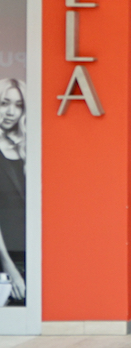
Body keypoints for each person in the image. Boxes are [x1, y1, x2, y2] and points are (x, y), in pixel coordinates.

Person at [0, 78, 25, 304]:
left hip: (28, 248)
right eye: (4, 103)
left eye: (18, 106)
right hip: (5, 254)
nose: (10, 112)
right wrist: (8, 265)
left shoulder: (26, 147)